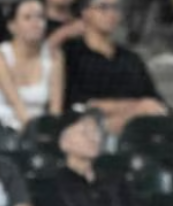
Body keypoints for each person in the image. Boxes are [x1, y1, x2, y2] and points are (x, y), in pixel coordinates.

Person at [62, 0, 166, 134]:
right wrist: (135, 108)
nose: (111, 14)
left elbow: (154, 100)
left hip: (141, 135)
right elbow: (79, 104)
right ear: (85, 12)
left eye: (115, 8)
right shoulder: (71, 55)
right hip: (88, 131)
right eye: (103, 7)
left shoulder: (131, 59)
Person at [35, 108, 137, 206]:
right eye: (84, 133)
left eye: (95, 132)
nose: (93, 138)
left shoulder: (116, 180)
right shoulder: (52, 184)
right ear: (64, 142)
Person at [0, 0, 64, 133]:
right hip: (1, 129)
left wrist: (53, 133)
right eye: (27, 18)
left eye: (40, 17)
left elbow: (55, 109)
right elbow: (18, 107)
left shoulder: (54, 56)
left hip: (40, 130)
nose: (36, 24)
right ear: (12, 26)